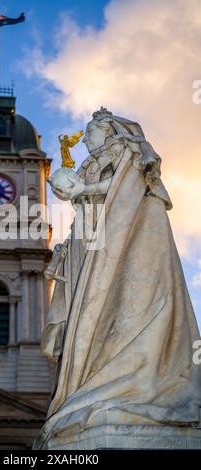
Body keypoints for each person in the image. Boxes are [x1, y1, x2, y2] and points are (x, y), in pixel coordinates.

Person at [33, 107, 201, 449]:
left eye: (90, 132)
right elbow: (90, 199)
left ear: (107, 131)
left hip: (121, 239)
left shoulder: (125, 149)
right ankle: (91, 382)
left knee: (116, 308)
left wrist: (81, 188)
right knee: (90, 318)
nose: (85, 139)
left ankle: (120, 384)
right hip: (92, 240)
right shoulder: (94, 161)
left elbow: (129, 182)